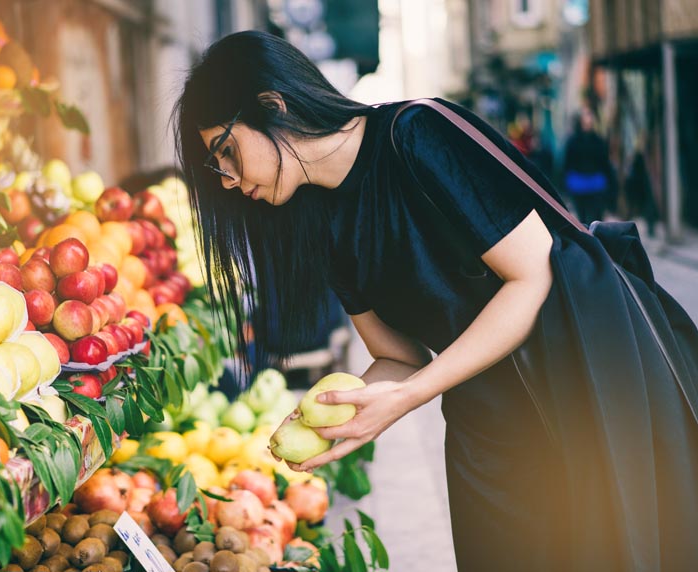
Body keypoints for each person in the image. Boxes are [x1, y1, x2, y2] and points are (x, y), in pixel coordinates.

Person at [173, 31, 698, 571]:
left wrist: (412, 394)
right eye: (219, 168)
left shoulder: (417, 133)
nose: (231, 181)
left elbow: (532, 275)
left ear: (272, 106)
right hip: (487, 435)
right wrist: (340, 416)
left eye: (226, 151)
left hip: (582, 393)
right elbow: (400, 357)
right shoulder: (323, 224)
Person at [561, 107, 617, 224]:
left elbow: (604, 163)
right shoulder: (573, 141)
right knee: (582, 219)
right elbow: (567, 163)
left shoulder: (598, 141)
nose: (588, 121)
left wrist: (610, 184)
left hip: (595, 184)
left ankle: (595, 239)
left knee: (596, 218)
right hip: (578, 184)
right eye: (585, 117)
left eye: (590, 117)